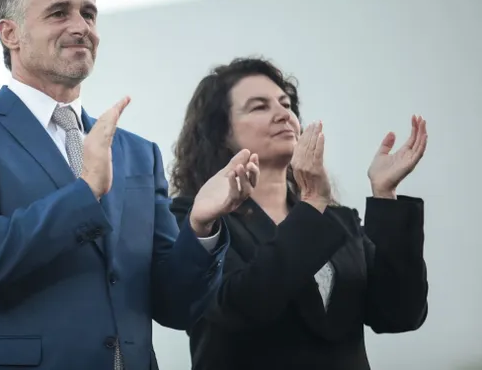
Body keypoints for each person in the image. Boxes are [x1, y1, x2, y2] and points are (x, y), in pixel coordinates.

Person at [0, 0, 258, 370]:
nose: (81, 27)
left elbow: (176, 307)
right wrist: (85, 193)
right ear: (11, 34)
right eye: (59, 13)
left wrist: (201, 227)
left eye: (88, 13)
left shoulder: (137, 153)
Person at [169, 57, 429, 370]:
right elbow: (241, 306)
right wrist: (312, 203)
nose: (284, 114)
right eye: (259, 106)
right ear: (222, 132)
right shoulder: (196, 218)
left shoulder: (337, 219)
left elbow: (400, 313)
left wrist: (384, 197)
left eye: (286, 103)